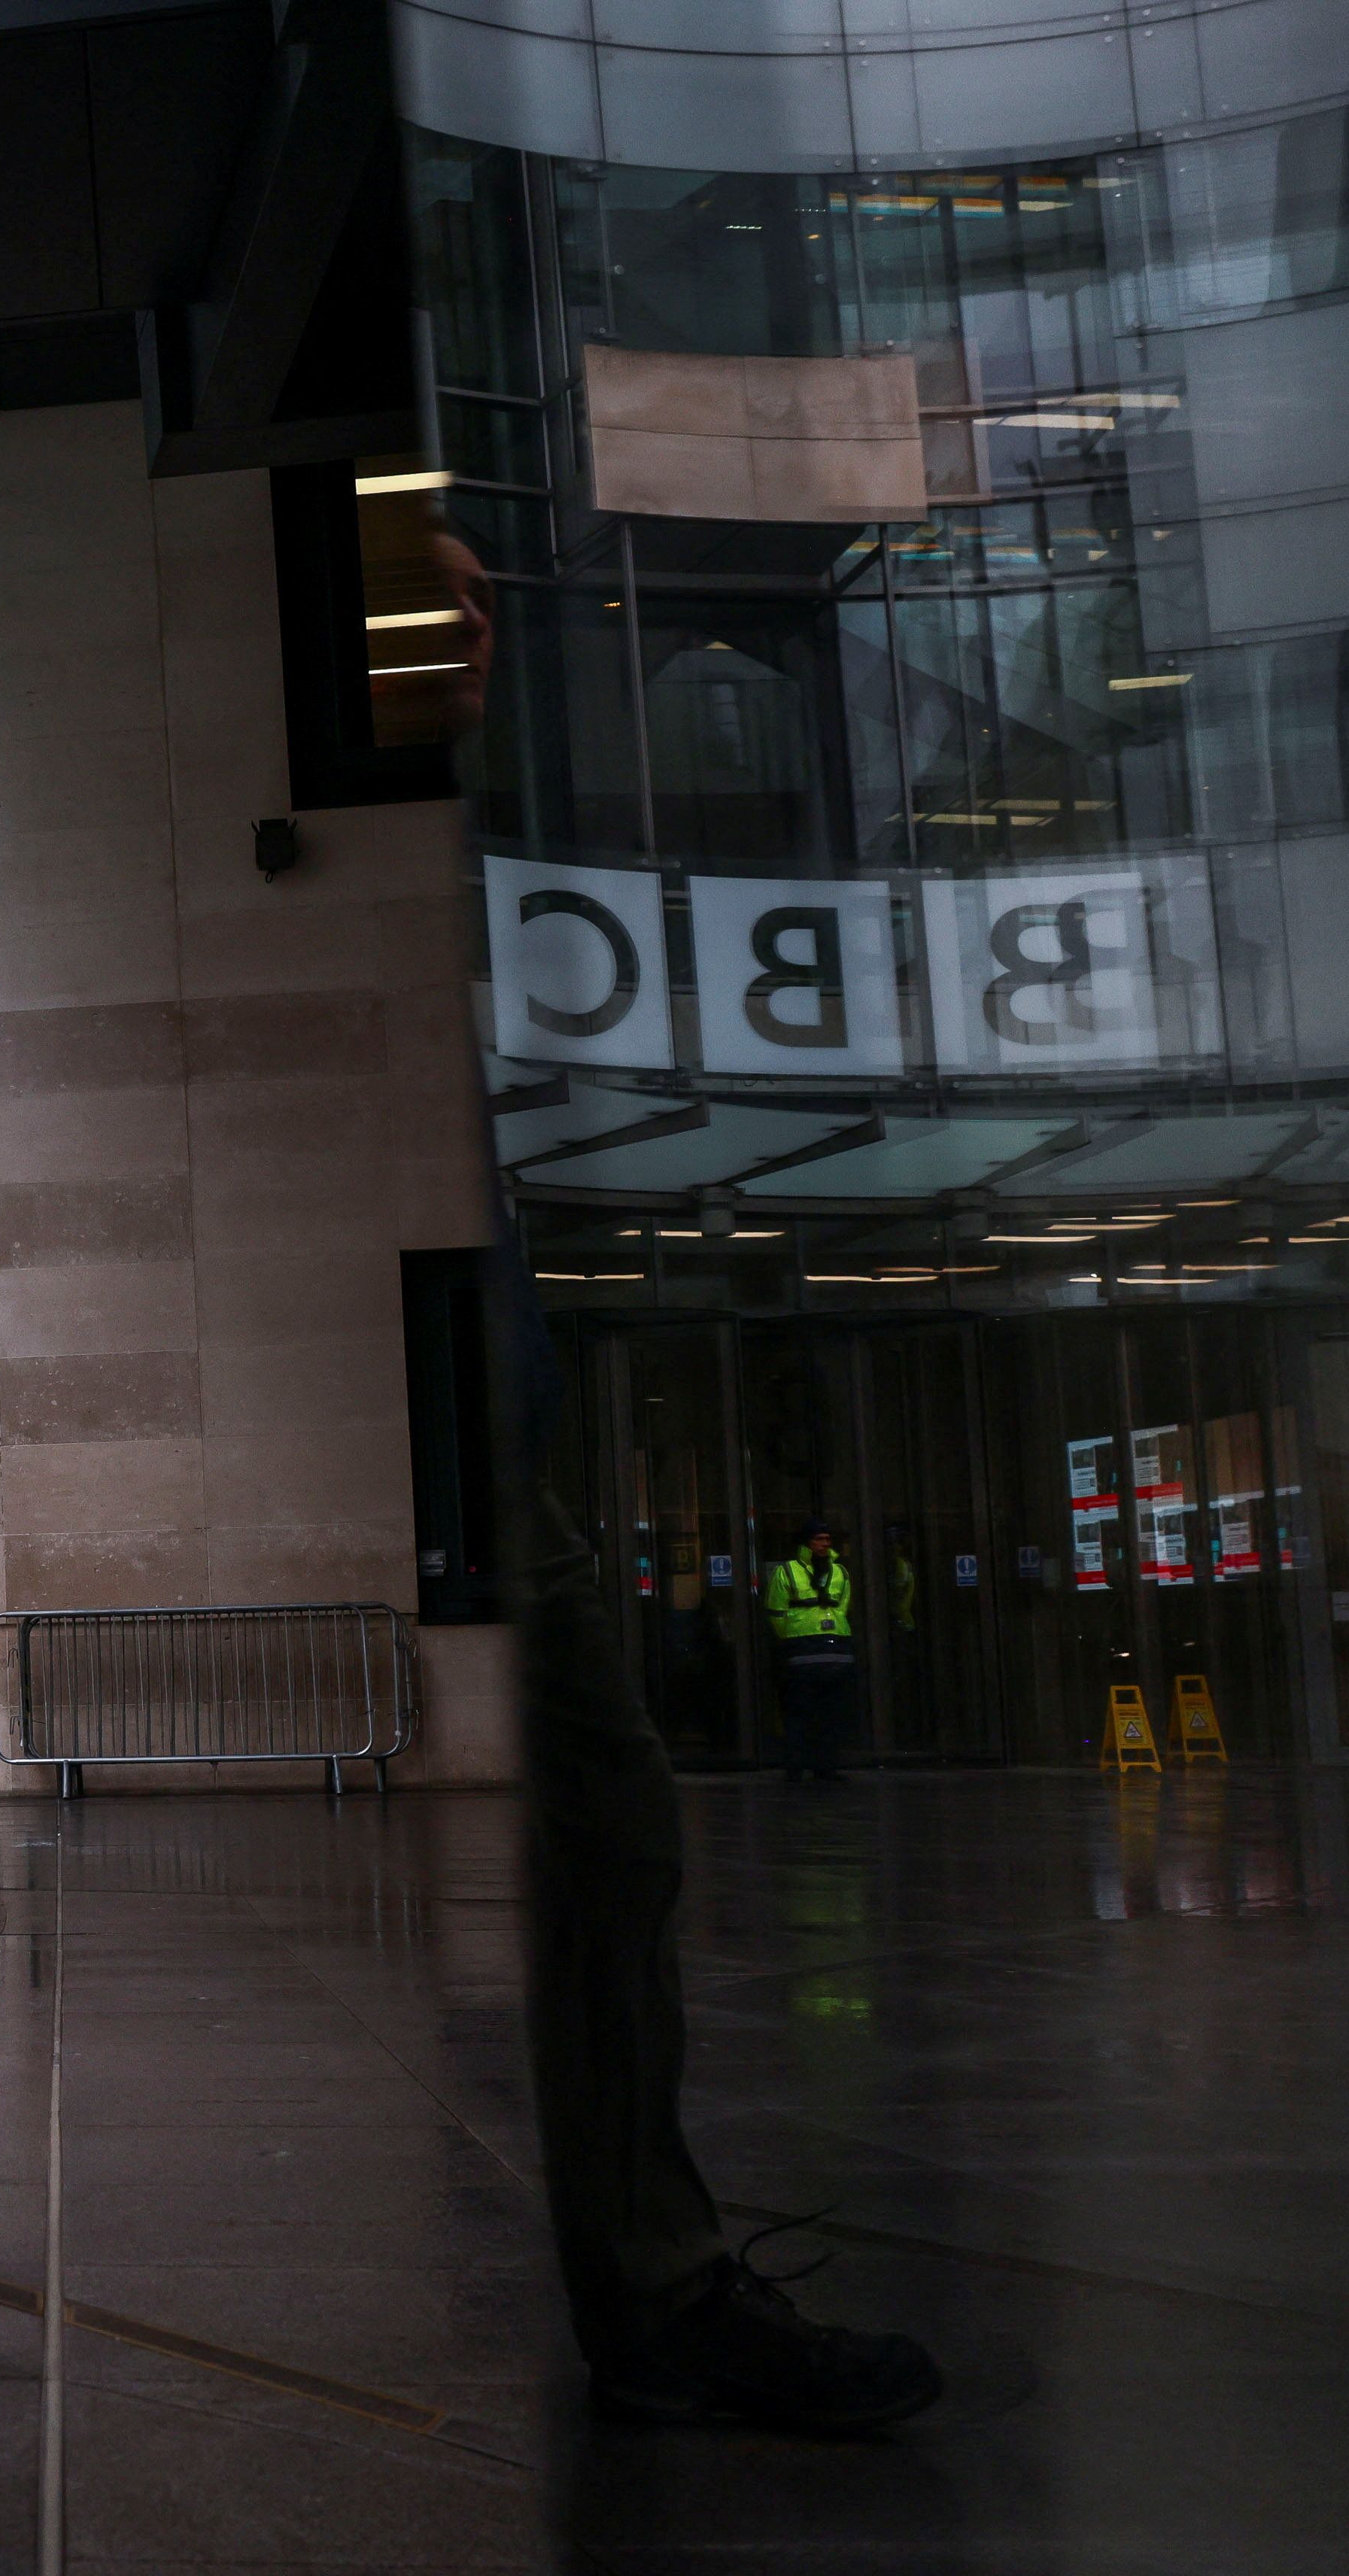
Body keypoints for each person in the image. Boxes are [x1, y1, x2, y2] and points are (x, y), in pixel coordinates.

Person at [448, 533, 937, 2432]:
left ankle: (650, 2283)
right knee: (598, 1836)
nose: (473, 629)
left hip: (510, 1434)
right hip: (471, 1434)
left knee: (616, 1835)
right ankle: (644, 2286)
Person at [763, 1523, 860, 1784]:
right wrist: (796, 1637)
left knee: (828, 1715)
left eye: (828, 1539)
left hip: (827, 1652)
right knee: (801, 1714)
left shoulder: (840, 1572)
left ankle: (822, 1767)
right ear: (806, 1543)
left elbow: (843, 1607)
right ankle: (799, 1767)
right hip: (808, 1652)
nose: (825, 1544)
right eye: (819, 1539)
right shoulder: (787, 1572)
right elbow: (776, 1612)